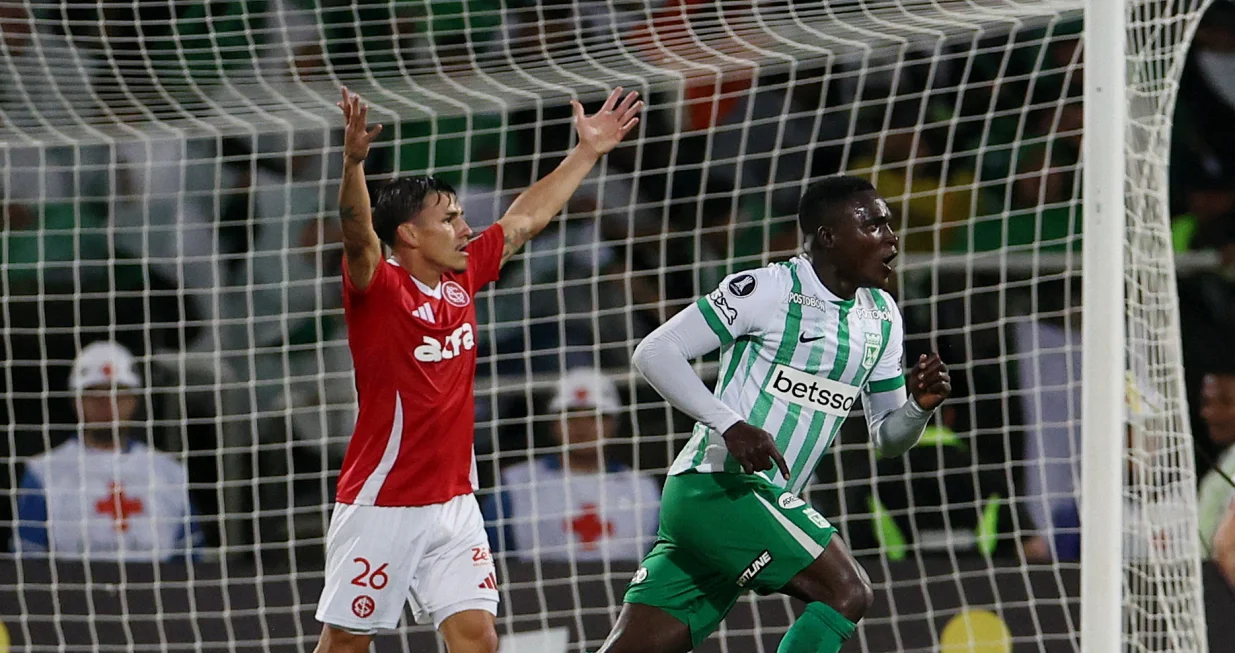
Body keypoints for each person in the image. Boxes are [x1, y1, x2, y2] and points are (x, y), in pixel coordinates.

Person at [312, 86, 642, 653]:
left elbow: (524, 220)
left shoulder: (462, 278)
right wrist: (354, 164)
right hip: (384, 501)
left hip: (455, 499)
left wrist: (587, 152)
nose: (466, 228)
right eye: (451, 219)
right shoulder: (379, 287)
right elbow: (356, 233)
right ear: (410, 235)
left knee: (477, 638)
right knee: (346, 643)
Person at [596, 175, 951, 653]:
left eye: (889, 225)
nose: (891, 237)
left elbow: (887, 438)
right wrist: (729, 423)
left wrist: (917, 408)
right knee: (847, 591)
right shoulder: (770, 289)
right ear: (828, 236)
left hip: (743, 507)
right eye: (874, 225)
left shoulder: (883, 316)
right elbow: (655, 352)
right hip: (719, 487)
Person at [12, 341, 203, 561]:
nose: (107, 404)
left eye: (118, 394)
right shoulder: (43, 473)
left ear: (134, 400)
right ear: (76, 400)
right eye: (95, 394)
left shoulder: (169, 473)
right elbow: (29, 564)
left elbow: (189, 563)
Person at [481, 367, 661, 562]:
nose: (582, 427)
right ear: (554, 423)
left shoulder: (644, 489)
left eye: (594, 416)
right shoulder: (515, 485)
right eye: (571, 415)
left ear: (613, 424)